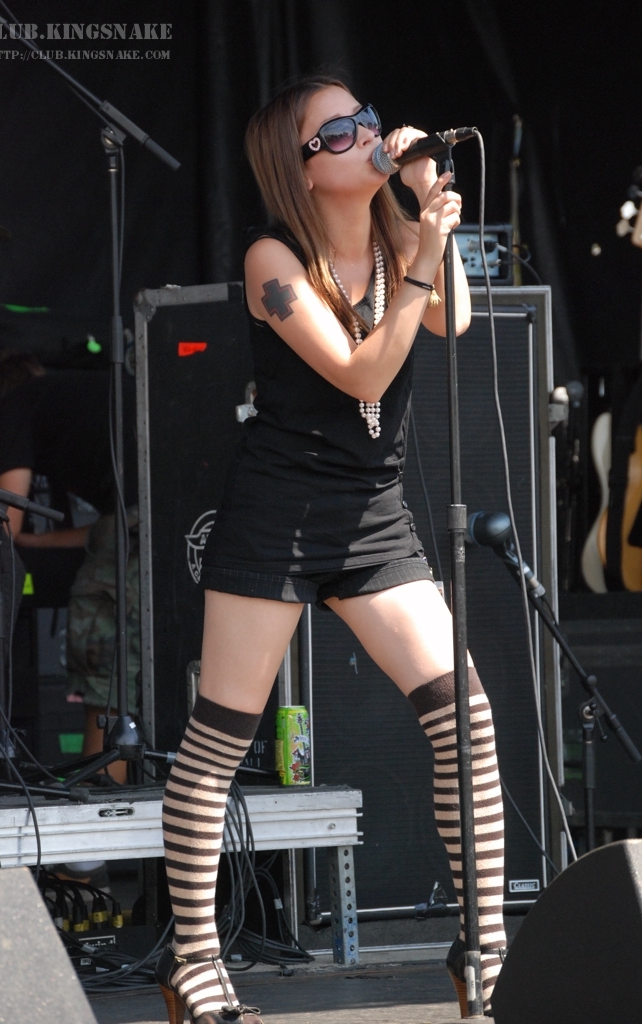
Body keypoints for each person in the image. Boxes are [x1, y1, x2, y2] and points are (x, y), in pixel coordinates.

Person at [157, 75, 506, 1023]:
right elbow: (362, 372)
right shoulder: (272, 255)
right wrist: (422, 252)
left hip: (370, 512)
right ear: (304, 167)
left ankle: (483, 946)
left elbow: (453, 319)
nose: (367, 132)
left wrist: (422, 208)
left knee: (465, 719)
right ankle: (194, 963)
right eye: (340, 130)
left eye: (366, 119)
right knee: (218, 740)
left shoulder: (397, 240)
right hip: (278, 510)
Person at [0, 355, 140, 786]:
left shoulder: (15, 405)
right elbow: (105, 529)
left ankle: (103, 787)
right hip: (178, 509)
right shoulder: (75, 392)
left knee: (105, 652)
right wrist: (34, 543)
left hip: (139, 519)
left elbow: (4, 522)